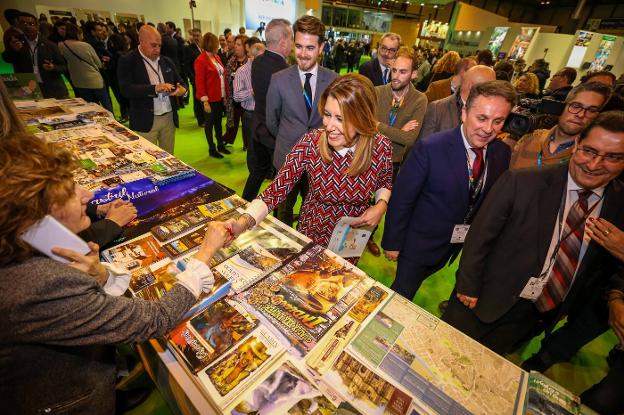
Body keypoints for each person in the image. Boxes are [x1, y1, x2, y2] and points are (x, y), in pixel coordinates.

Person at [0, 133, 229, 414]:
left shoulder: (23, 247)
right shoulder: (40, 286)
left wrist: (100, 276)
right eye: (71, 191)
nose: (89, 195)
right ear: (39, 215)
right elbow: (153, 320)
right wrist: (204, 254)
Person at [442, 111, 624, 355]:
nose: (594, 165)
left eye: (612, 157)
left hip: (535, 316)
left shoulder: (620, 205)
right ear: (577, 143)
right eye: (589, 151)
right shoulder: (521, 182)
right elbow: (480, 237)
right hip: (481, 300)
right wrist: (467, 286)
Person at [227, 74, 393, 264]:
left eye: (340, 118)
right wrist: (242, 223)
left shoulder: (381, 146)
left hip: (352, 235)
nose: (329, 126)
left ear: (362, 117)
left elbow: (384, 181)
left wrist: (381, 205)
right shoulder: (311, 142)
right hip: (314, 228)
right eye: (327, 115)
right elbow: (277, 188)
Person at [382, 80, 515, 300]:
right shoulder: (430, 148)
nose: (488, 129)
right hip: (416, 245)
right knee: (401, 295)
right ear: (464, 113)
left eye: (498, 121)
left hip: (450, 247)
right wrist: (393, 242)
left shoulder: (502, 154)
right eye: (481, 118)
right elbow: (403, 199)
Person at [266, 15, 338, 227]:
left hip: (320, 160)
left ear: (321, 47)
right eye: (298, 46)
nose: (303, 54)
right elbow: (272, 121)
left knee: (313, 213)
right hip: (286, 158)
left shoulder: (333, 80)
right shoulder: (278, 79)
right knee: (283, 213)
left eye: (310, 48)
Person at [241, 18, 293, 202]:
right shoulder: (286, 71)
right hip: (276, 134)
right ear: (284, 42)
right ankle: (280, 218)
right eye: (292, 39)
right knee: (282, 180)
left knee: (257, 173)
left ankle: (244, 207)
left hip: (258, 128)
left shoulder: (257, 62)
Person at [118, 25, 187, 155]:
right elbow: (125, 89)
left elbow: (181, 82)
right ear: (141, 41)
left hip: (168, 119)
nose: (157, 50)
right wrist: (154, 88)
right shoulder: (128, 60)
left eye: (159, 46)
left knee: (169, 157)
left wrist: (183, 90)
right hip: (145, 120)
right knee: (148, 159)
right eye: (153, 45)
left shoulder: (166, 61)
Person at [510, 82, 611, 170]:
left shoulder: (589, 159)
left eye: (591, 110)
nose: (581, 115)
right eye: (576, 106)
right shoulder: (531, 137)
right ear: (562, 107)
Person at [375, 47, 428, 178]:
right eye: (394, 70)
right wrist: (400, 131)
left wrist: (377, 125)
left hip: (394, 163)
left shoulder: (419, 99)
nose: (396, 77)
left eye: (402, 72)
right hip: (370, 158)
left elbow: (409, 139)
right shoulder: (377, 92)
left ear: (414, 74)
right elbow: (365, 127)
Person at [418, 65, 496, 140]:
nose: (493, 92)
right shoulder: (437, 109)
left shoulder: (492, 112)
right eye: (489, 87)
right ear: (472, 86)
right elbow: (422, 148)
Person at [1, 12, 69, 99]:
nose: (27, 26)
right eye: (23, 23)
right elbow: (7, 59)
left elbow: (64, 66)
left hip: (52, 89)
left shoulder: (49, 44)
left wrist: (53, 67)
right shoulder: (16, 42)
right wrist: (14, 51)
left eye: (31, 24)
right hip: (28, 89)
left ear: (37, 26)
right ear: (19, 26)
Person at [59, 23, 114, 113]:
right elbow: (98, 63)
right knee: (106, 105)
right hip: (93, 79)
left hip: (78, 80)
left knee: (91, 107)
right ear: (77, 34)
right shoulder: (84, 45)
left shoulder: (62, 45)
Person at [195, 32, 230, 159]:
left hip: (219, 97)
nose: (219, 45)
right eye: (217, 43)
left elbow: (221, 76)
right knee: (209, 125)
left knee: (219, 123)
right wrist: (205, 101)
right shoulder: (200, 60)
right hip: (209, 99)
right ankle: (212, 148)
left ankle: (220, 145)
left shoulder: (217, 57)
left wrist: (225, 95)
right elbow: (199, 83)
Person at [234, 40, 265, 152]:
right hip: (250, 115)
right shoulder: (241, 71)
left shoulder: (266, 70)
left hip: (265, 114)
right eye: (260, 57)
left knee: (264, 149)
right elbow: (236, 96)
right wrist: (252, 91)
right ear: (251, 56)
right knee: (252, 150)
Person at [223, 34, 249, 146]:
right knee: (232, 120)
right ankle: (228, 139)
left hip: (247, 98)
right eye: (235, 44)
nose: (235, 47)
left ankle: (247, 144)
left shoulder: (250, 62)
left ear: (245, 47)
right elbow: (226, 80)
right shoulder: (231, 61)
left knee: (247, 123)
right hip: (233, 98)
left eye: (239, 45)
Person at [183, 28, 205, 127]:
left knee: (204, 98)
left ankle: (204, 116)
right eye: (194, 35)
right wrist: (192, 78)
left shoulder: (203, 47)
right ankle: (201, 120)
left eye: (198, 35)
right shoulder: (189, 48)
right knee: (197, 99)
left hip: (205, 78)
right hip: (196, 78)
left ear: (201, 36)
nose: (196, 37)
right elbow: (186, 65)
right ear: (192, 36)